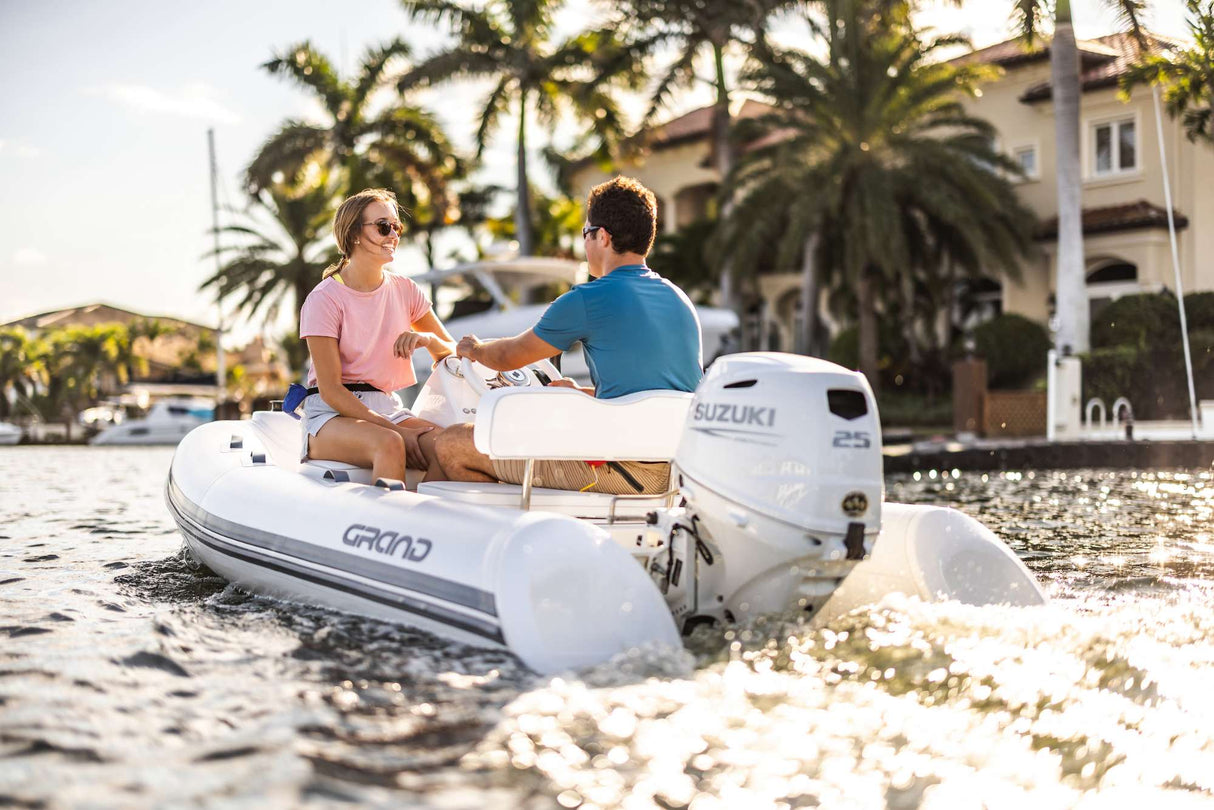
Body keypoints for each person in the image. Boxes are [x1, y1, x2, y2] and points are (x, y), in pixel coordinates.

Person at [435, 176, 703, 495]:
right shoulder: (679, 300)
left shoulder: (588, 299)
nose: (584, 244)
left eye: (585, 234)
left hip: (620, 472)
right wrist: (583, 393)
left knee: (451, 443)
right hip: (674, 475)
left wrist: (476, 349)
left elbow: (506, 358)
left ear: (602, 237)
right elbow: (651, 394)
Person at [299, 188, 456, 483]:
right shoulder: (324, 299)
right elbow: (331, 391)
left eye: (396, 227)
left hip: (388, 407)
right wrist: (395, 429)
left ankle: (422, 518)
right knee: (389, 443)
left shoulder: (405, 290)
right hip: (329, 415)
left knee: (448, 447)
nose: (393, 235)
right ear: (355, 234)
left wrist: (428, 341)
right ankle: (387, 522)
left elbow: (450, 352)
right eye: (383, 227)